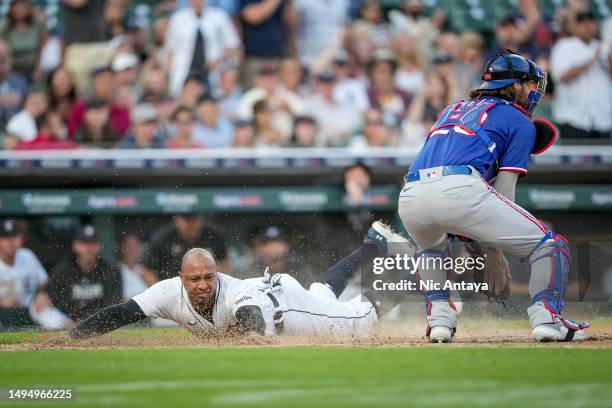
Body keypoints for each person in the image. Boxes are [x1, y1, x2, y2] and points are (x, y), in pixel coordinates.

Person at [397, 51, 590, 343]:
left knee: (431, 249)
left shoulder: (452, 108)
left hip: (410, 193)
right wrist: (494, 253)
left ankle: (439, 322)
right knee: (550, 245)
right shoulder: (519, 118)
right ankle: (548, 320)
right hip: (459, 187)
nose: (533, 90)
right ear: (515, 85)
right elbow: (505, 192)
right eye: (528, 84)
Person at [69, 222, 413, 339]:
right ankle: (373, 244)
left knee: (357, 320)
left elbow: (250, 313)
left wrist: (250, 337)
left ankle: (416, 278)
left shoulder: (233, 290)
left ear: (217, 273)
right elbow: (122, 312)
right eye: (195, 279)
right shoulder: (167, 293)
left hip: (290, 312)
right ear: (181, 279)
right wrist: (74, 336)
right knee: (321, 292)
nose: (203, 284)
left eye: (209, 277)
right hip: (282, 292)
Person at [549, 11, 611, 140]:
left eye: (590, 22)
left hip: (601, 120)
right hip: (573, 119)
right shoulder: (564, 46)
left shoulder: (604, 47)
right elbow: (561, 77)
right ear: (575, 26)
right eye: (582, 22)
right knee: (574, 159)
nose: (587, 26)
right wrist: (590, 61)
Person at [0, 219, 72, 330]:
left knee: (56, 319)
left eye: (14, 237)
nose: (11, 242)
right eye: (6, 238)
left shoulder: (27, 255)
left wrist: (42, 294)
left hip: (30, 308)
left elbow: (43, 282)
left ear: (21, 239)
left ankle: (72, 332)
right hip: (3, 312)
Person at [48, 224, 122, 321]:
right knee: (42, 307)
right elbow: (54, 300)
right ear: (75, 245)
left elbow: (114, 301)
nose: (89, 248)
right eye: (84, 242)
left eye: (93, 242)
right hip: (67, 322)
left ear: (99, 246)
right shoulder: (61, 271)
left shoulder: (111, 270)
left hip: (101, 322)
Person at [165, 0, 240, 96]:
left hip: (212, 72)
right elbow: (170, 49)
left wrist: (217, 60)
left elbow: (233, 46)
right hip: (183, 71)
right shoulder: (177, 18)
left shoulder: (220, 16)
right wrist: (167, 74)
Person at [140, 214, 229, 281]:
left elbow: (224, 263)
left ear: (200, 219)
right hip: (174, 288)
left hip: (205, 287)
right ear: (176, 220)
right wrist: (160, 291)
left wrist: (218, 286)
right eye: (186, 220)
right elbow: (144, 270)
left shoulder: (213, 235)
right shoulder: (164, 237)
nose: (191, 224)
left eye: (194, 219)